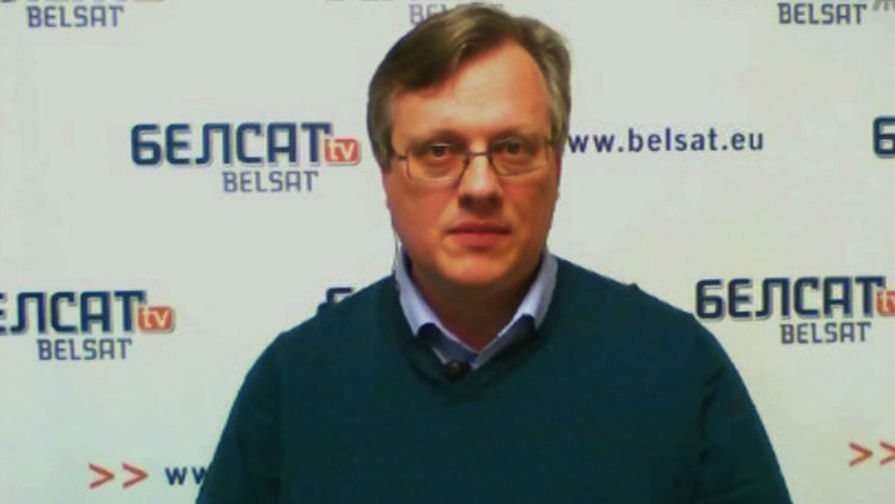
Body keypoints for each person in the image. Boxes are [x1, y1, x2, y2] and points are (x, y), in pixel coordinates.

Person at [197, 5, 792, 503]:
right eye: (437, 151)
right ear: (385, 173)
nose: (480, 186)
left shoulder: (676, 367)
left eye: (512, 148)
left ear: (556, 167)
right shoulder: (295, 383)